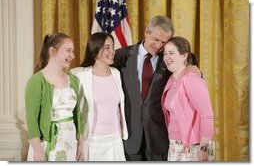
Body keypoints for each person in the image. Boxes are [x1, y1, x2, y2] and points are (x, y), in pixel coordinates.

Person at [115, 15, 200, 161]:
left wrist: (195, 69)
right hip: (130, 138)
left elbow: (190, 71)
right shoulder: (121, 56)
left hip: (159, 137)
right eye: (156, 39)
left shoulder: (170, 59)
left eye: (164, 42)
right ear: (147, 32)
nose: (159, 46)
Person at [25, 33, 84, 161]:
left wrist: (80, 143)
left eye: (72, 51)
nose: (72, 56)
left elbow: (77, 114)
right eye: (68, 51)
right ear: (52, 51)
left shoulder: (73, 80)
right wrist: (37, 150)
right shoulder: (36, 81)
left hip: (69, 143)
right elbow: (32, 119)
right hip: (46, 145)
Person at [70, 32, 128, 161]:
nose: (112, 51)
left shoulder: (116, 73)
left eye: (113, 47)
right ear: (95, 49)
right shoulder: (79, 75)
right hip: (91, 140)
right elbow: (73, 110)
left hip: (115, 139)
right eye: (107, 47)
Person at [161, 36, 215, 161]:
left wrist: (204, 148)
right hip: (176, 144)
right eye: (165, 53)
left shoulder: (191, 78)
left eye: (171, 53)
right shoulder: (171, 79)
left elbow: (207, 115)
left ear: (184, 55)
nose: (166, 57)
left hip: (195, 146)